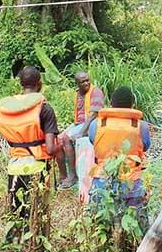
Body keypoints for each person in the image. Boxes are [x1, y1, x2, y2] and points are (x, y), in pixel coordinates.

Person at [0, 67, 59, 230]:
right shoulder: (45, 109)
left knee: (16, 214)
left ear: (21, 84)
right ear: (39, 83)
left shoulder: (7, 110)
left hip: (14, 167)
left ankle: (15, 248)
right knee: (38, 214)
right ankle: (38, 249)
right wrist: (62, 145)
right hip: (38, 168)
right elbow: (51, 149)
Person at [87, 86, 151, 225]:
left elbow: (92, 141)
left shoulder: (96, 124)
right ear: (132, 105)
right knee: (134, 225)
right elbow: (145, 146)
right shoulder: (142, 126)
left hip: (102, 179)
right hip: (132, 182)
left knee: (99, 223)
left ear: (111, 104)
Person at [57, 72, 106, 188]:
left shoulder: (96, 92)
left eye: (87, 80)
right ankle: (63, 175)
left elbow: (93, 114)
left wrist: (81, 132)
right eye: (83, 82)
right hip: (79, 124)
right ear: (77, 84)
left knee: (66, 138)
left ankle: (73, 175)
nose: (86, 83)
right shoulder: (78, 94)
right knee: (58, 138)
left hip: (92, 124)